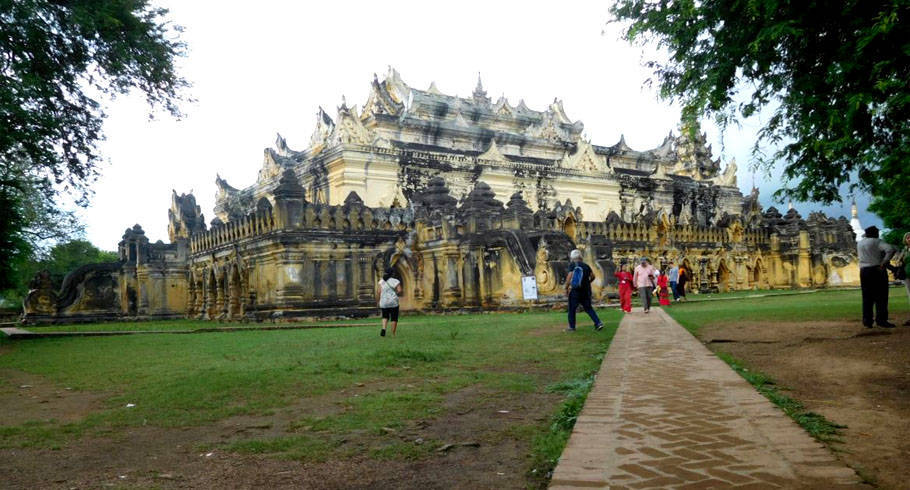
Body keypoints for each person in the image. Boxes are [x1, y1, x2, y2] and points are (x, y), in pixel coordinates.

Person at [857, 226, 896, 328]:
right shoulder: (877, 241)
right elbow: (890, 249)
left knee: (867, 297)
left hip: (864, 270)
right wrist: (884, 262)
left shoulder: (860, 243)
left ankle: (867, 320)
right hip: (877, 269)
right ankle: (881, 320)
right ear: (875, 233)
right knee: (881, 296)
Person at [564, 249, 605, 332]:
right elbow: (593, 276)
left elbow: (569, 277)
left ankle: (572, 327)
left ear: (572, 257)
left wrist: (566, 287)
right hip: (586, 290)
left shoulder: (572, 265)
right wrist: (588, 282)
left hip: (575, 290)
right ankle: (598, 323)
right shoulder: (586, 266)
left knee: (572, 308)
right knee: (588, 308)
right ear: (580, 257)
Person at [376, 267, 403, 336]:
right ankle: (393, 333)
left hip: (384, 302)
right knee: (394, 317)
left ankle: (383, 329)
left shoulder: (381, 281)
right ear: (392, 274)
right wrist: (395, 293)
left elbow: (378, 292)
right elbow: (400, 290)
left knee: (385, 316)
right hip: (393, 302)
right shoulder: (395, 281)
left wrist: (378, 301)